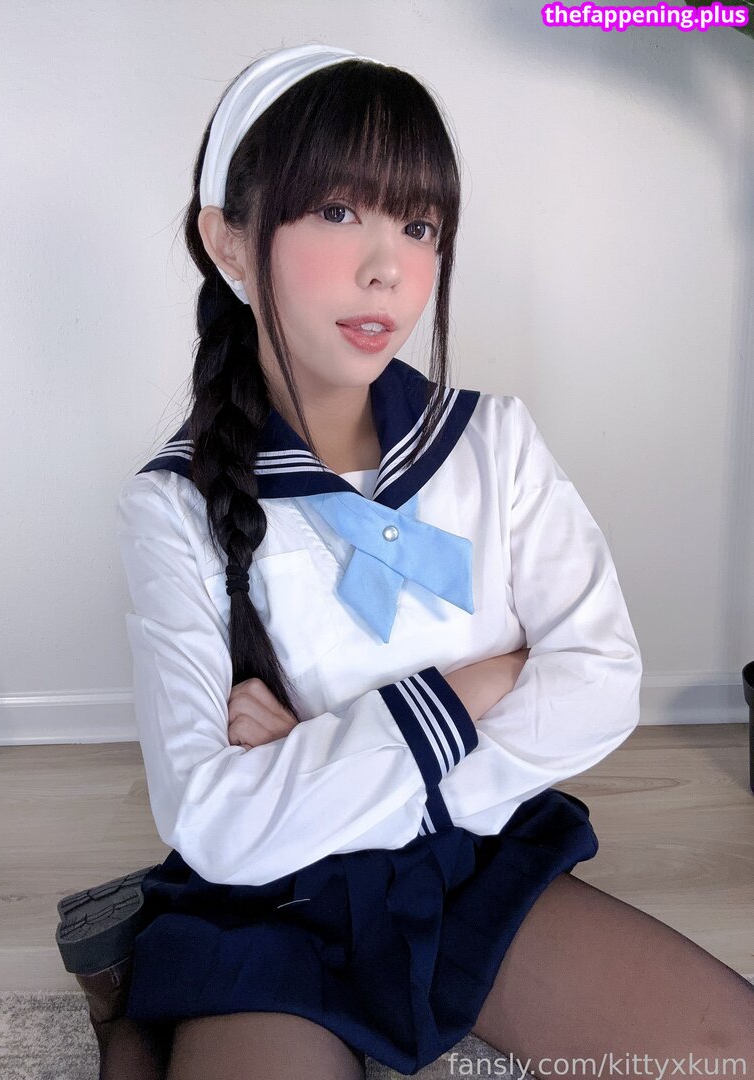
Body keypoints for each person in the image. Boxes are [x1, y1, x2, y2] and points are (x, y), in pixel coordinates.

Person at [81, 42, 754, 1080]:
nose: (386, 267)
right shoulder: (171, 507)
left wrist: (324, 749)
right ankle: (129, 1004)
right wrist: (473, 687)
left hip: (466, 864)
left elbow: (600, 682)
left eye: (419, 224)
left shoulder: (495, 443)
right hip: (274, 900)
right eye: (336, 211)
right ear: (228, 241)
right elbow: (216, 819)